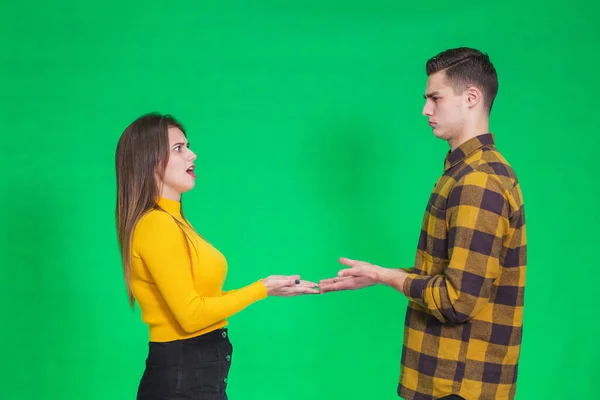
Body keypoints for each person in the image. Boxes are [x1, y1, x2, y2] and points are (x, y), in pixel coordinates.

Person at [320, 47, 526, 400]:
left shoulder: (478, 181)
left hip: (457, 388)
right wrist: (379, 273)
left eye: (435, 98)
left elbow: (458, 300)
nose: (425, 109)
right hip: (446, 382)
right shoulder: (464, 173)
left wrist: (388, 277)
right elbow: (454, 274)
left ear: (471, 98)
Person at [115, 113, 319, 400]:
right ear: (150, 161)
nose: (192, 154)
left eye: (188, 145)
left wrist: (268, 287)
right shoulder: (156, 225)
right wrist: (262, 289)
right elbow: (191, 316)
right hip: (182, 379)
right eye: (178, 148)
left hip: (194, 374)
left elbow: (202, 302)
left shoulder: (174, 222)